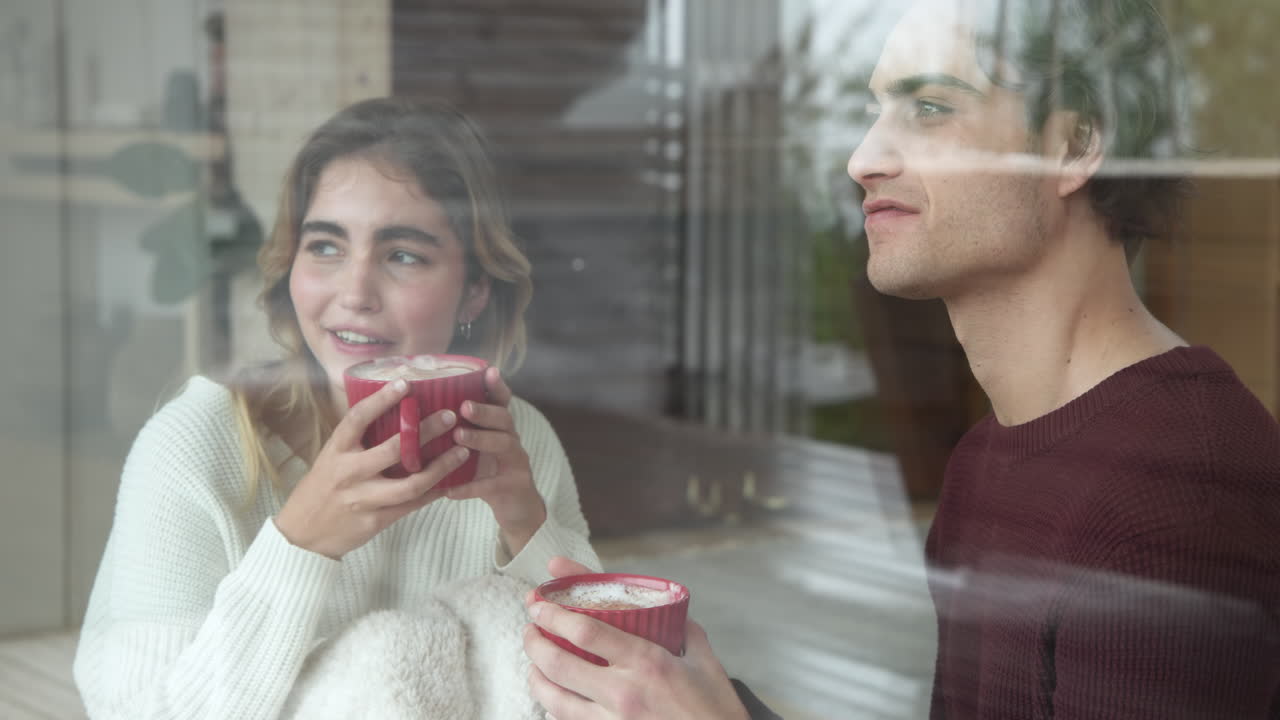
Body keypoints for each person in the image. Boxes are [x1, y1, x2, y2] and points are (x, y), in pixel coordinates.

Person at [523, 1, 1280, 718]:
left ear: (1072, 145)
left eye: (930, 108)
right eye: (874, 111)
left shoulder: (1178, 494)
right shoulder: (990, 458)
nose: (862, 159)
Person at [75, 97, 601, 719]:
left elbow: (607, 679)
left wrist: (528, 527)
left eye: (403, 255)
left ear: (475, 293)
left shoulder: (518, 443)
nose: (353, 293)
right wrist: (300, 544)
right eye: (325, 246)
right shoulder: (193, 447)